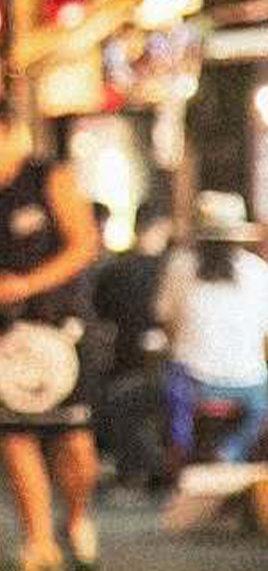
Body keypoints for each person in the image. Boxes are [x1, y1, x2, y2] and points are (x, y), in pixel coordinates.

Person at [0, 99, 104, 571]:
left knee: (75, 439)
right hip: (7, 337)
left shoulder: (48, 178)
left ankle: (75, 518)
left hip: (63, 326)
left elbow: (84, 245)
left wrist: (28, 284)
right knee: (16, 436)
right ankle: (39, 545)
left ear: (7, 131)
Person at [154, 191, 268, 468]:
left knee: (134, 399)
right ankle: (229, 453)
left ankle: (177, 454)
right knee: (259, 412)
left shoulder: (180, 266)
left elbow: (166, 323)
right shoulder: (257, 271)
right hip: (249, 385)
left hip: (191, 382)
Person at [92, 199, 172, 492]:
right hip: (171, 369)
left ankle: (141, 470)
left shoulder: (113, 271)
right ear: (164, 227)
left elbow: (100, 317)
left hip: (123, 367)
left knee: (120, 400)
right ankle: (153, 469)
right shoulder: (174, 269)